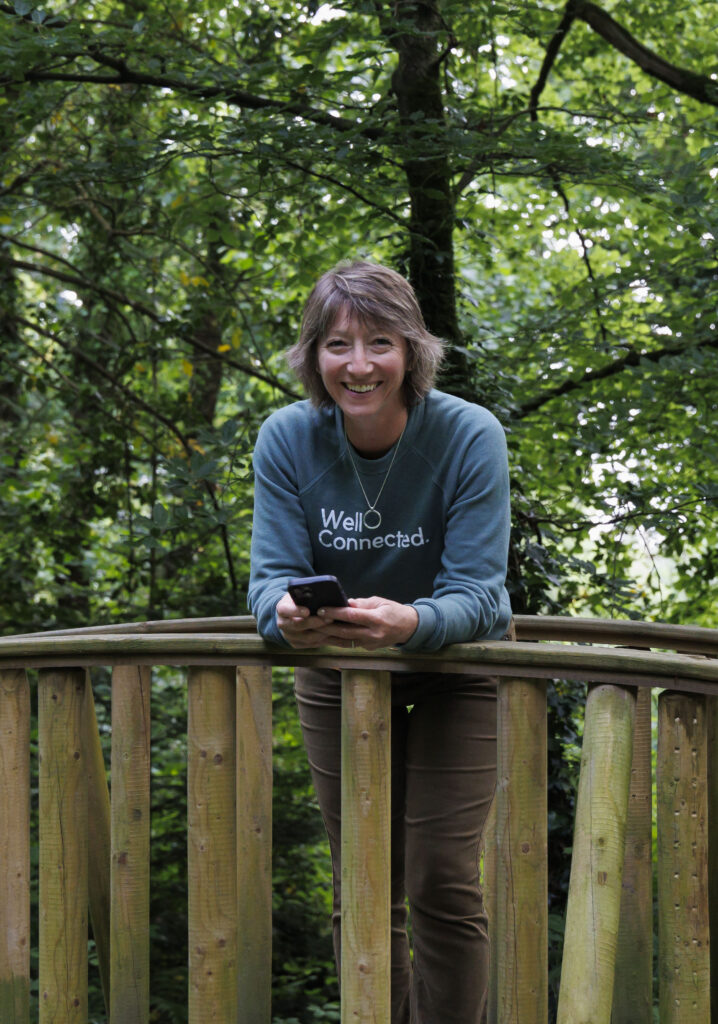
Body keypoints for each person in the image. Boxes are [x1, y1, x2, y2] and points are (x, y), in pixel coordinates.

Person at [248, 260, 512, 1023]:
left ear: (412, 352)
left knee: (440, 877)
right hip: (338, 669)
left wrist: (412, 621)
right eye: (337, 345)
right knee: (364, 873)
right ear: (313, 356)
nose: (358, 365)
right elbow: (269, 579)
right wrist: (286, 616)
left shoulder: (467, 434)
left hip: (455, 667)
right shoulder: (288, 438)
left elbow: (479, 593)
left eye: (379, 343)